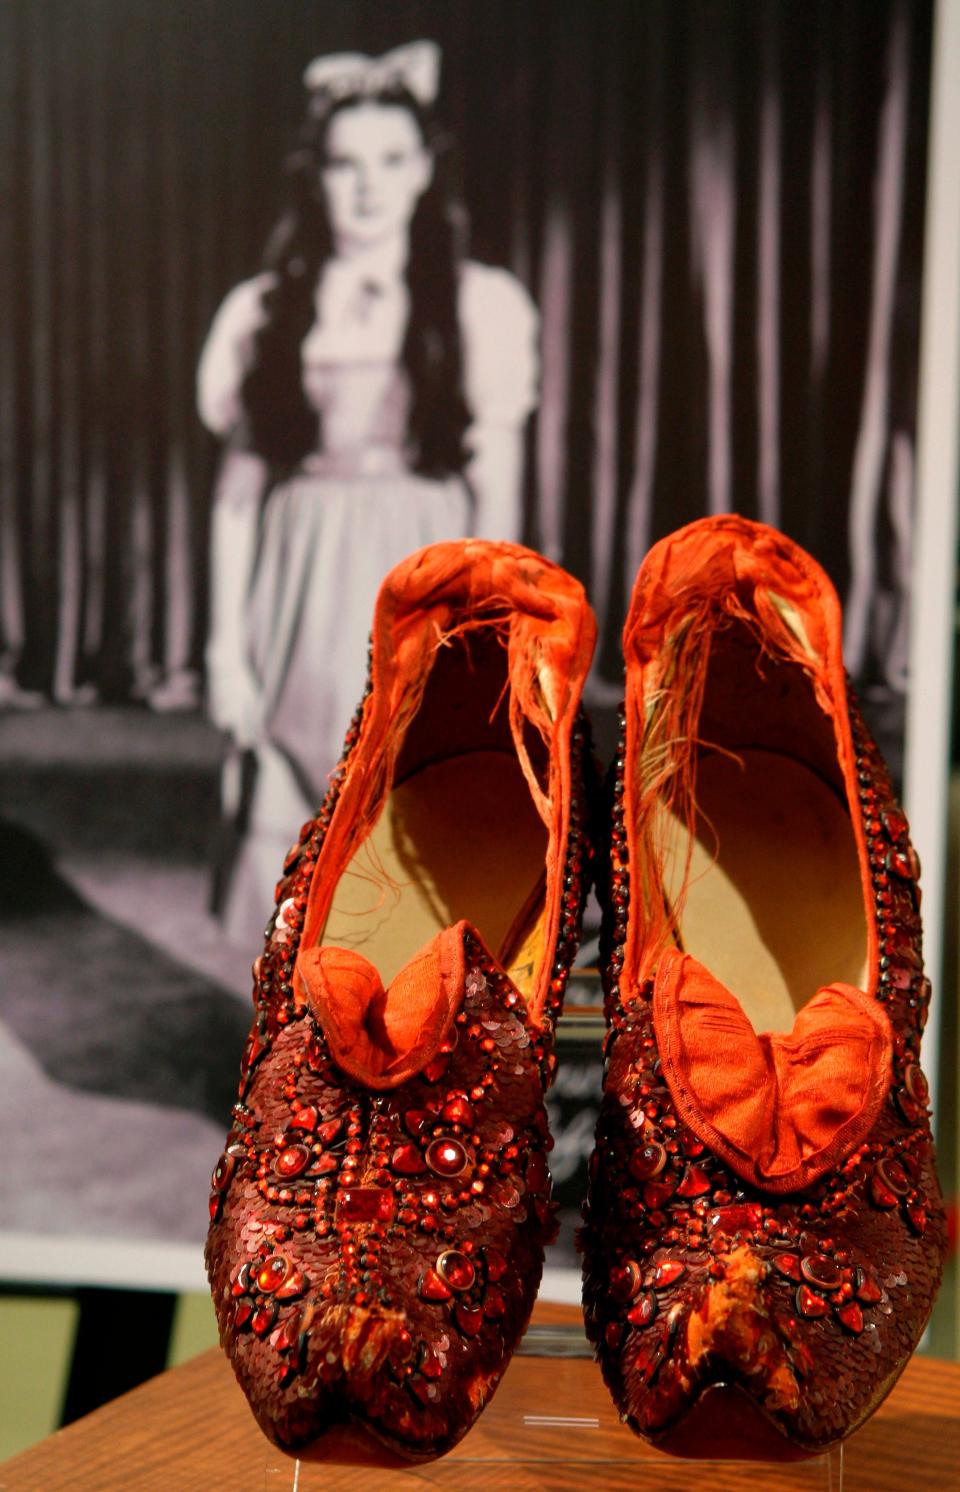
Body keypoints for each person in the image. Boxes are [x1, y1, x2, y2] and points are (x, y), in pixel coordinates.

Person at [196, 42, 539, 945]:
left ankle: (392, 1064)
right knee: (297, 836)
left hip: (420, 588)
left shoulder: (477, 305)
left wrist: (492, 630)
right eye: (345, 165)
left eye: (391, 161)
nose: (368, 188)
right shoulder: (266, 312)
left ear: (425, 170)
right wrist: (226, 650)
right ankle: (288, 1059)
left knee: (412, 819)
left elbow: (494, 484)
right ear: (316, 178)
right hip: (295, 592)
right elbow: (235, 497)